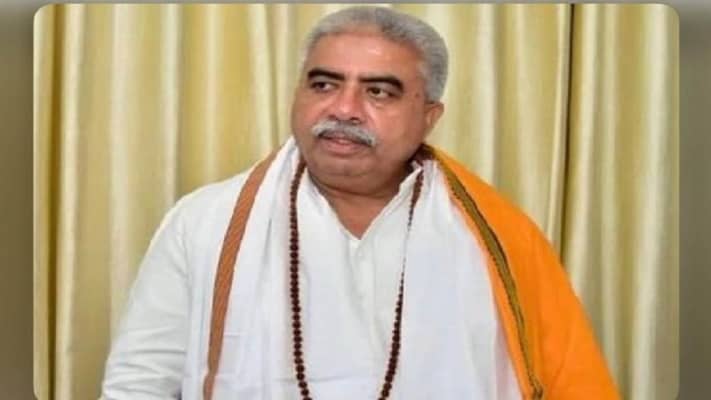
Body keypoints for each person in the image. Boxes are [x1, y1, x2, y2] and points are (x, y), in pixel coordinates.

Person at [101, 6, 619, 400]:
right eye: (324, 84)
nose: (344, 108)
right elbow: (139, 384)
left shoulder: (500, 239)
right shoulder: (205, 222)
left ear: (429, 116)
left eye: (379, 92)